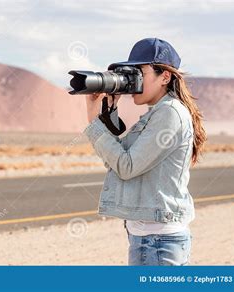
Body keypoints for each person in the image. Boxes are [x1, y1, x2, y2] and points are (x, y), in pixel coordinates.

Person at [84, 38, 207, 265]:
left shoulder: (169, 113)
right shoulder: (158, 112)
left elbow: (126, 167)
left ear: (165, 76)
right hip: (149, 238)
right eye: (129, 73)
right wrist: (107, 113)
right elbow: (118, 163)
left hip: (158, 241)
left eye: (139, 72)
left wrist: (93, 121)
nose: (132, 81)